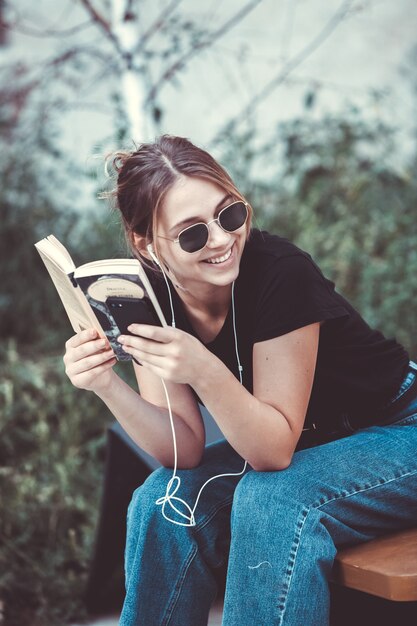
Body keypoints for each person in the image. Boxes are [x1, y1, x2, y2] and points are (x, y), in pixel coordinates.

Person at [63, 135, 417, 625]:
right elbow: (180, 449)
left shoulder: (280, 273)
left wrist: (203, 370)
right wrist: (106, 383)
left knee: (272, 499)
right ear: (147, 244)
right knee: (160, 502)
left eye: (229, 214)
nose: (222, 239)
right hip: (317, 447)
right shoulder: (145, 295)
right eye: (191, 234)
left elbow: (272, 453)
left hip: (401, 429)